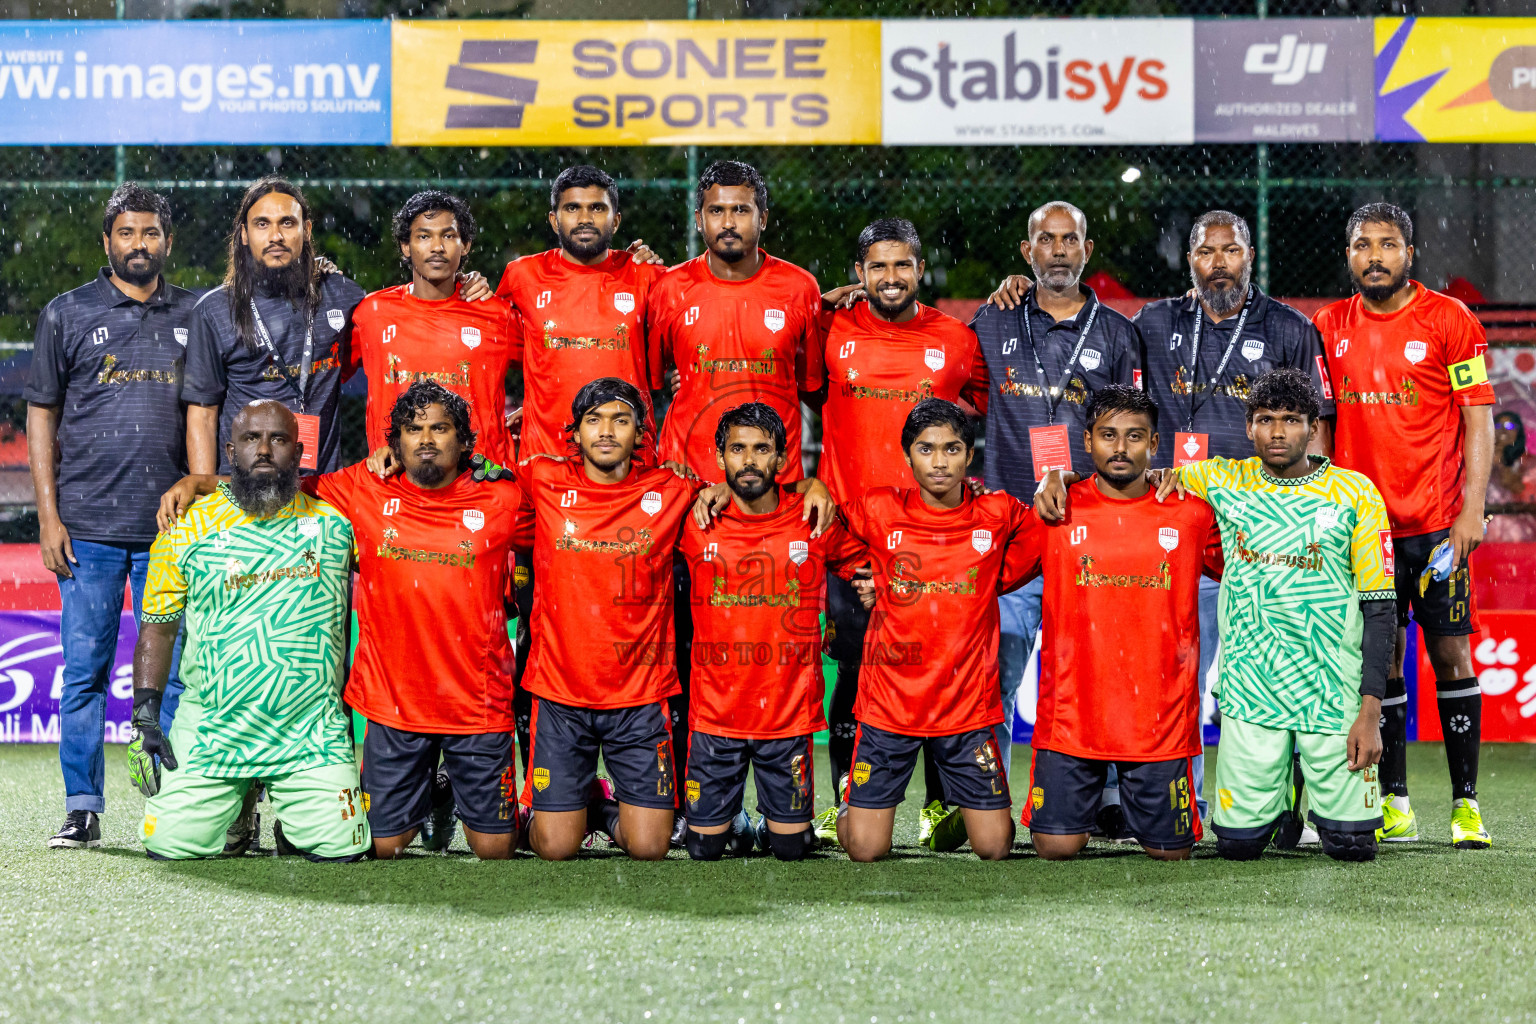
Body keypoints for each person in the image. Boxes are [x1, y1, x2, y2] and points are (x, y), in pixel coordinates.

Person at [158, 382, 527, 860]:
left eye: (440, 428)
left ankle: (455, 796)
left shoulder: (503, 496)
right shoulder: (362, 488)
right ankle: (431, 795)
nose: (427, 439)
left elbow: (560, 527)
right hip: (395, 703)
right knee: (382, 846)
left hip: (476, 701)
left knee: (496, 850)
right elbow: (275, 484)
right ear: (395, 443)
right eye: (414, 430)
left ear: (464, 440)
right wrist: (202, 482)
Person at [1129, 209, 1334, 823]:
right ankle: (1178, 803)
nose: (1219, 262)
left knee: (1274, 669)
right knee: (1173, 675)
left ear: (1250, 257)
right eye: (1206, 251)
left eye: (1232, 251)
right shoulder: (1154, 322)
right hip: (1171, 525)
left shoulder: (1290, 329)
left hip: (1261, 533)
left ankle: (1281, 807)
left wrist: (1312, 518)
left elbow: (1315, 430)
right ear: (1189, 260)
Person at [1313, 202, 1496, 848]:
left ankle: (1466, 806)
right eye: (1362, 245)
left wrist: (1473, 508)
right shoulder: (1328, 325)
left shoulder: (1452, 320)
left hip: (1438, 528)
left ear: (1409, 254)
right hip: (1365, 535)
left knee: (1450, 654)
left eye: (1387, 244)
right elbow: (1324, 428)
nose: (1374, 256)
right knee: (1381, 662)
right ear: (1349, 256)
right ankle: (1395, 802)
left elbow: (1478, 419)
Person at [1160, 369, 1394, 862]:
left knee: (1352, 847)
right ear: (1249, 427)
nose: (1279, 432)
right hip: (1252, 686)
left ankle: (1307, 788)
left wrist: (1371, 713)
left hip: (1332, 690)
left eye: (1292, 420)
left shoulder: (1356, 495)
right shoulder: (1225, 478)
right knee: (1237, 848)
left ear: (1314, 427)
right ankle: (1282, 797)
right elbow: (1145, 477)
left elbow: (1380, 610)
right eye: (1266, 420)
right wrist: (1063, 476)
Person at [24, 183, 194, 849]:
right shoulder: (67, 315)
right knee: (86, 670)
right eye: (127, 233)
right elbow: (43, 416)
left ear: (167, 243)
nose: (139, 244)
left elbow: (206, 412)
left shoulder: (197, 315)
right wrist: (48, 516)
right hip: (86, 531)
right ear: (107, 242)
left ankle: (172, 801)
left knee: (174, 674)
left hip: (168, 534)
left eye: (150, 233)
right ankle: (83, 807)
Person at [129, 400, 368, 862]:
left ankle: (290, 822)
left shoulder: (335, 526)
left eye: (278, 440)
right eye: (251, 439)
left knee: (343, 848)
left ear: (298, 452)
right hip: (215, 730)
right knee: (168, 845)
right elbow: (157, 630)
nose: (263, 450)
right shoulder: (184, 531)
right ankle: (239, 808)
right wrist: (145, 716)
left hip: (309, 733)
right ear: (229, 450)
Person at [814, 217, 987, 848]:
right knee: (856, 675)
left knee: (937, 671)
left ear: (920, 269)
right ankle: (841, 800)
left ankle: (941, 805)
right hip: (852, 540)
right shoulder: (829, 329)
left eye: (903, 265)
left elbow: (990, 412)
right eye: (878, 267)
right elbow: (801, 396)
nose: (891, 278)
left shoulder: (957, 339)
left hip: (935, 539)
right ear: (859, 274)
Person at [495, 164, 668, 785]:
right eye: (572, 208)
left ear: (616, 220)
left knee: (643, 628)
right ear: (554, 219)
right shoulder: (521, 278)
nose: (585, 219)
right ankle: (539, 785)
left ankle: (643, 784)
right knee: (535, 636)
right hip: (548, 494)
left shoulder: (647, 276)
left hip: (632, 489)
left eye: (597, 208)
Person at [975, 202, 1142, 833]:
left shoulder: (1119, 334)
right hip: (1013, 536)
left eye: (1070, 239)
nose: (1059, 251)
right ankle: (985, 800)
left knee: (1102, 673)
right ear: (1027, 254)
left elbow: (1132, 432)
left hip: (1092, 534)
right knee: (997, 674)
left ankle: (1109, 800)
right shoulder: (993, 321)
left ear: (1087, 249)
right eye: (1046, 240)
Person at [1015, 386, 1222, 861]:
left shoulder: (1192, 514)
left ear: (1154, 444)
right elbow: (992, 567)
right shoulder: (1055, 510)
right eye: (1108, 435)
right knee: (1054, 848)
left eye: (1134, 436)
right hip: (1071, 717)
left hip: (1160, 720)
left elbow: (1246, 564)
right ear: (1087, 441)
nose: (1121, 448)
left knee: (1172, 854)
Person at [836, 399, 1037, 862]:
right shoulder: (879, 507)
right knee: (865, 850)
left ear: (970, 455)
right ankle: (852, 798)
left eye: (952, 449)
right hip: (890, 704)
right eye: (926, 449)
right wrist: (863, 572)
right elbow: (825, 531)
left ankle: (960, 810)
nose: (940, 461)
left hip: (966, 707)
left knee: (994, 847)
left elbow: (1042, 541)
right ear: (907, 455)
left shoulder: (999, 512)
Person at [516, 377, 700, 861]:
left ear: (641, 433)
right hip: (560, 693)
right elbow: (473, 486)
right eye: (593, 420)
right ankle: (548, 813)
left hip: (639, 697)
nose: (606, 431)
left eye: (620, 420)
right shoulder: (540, 479)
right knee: (556, 849)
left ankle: (598, 810)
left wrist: (806, 484)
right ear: (573, 433)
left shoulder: (675, 489)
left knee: (650, 847)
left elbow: (743, 496)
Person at [678, 403, 865, 861]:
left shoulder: (812, 518)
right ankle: (735, 822)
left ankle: (776, 822)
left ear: (781, 460)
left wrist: (877, 581)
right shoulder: (694, 520)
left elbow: (862, 562)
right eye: (737, 449)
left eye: (762, 449)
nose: (749, 460)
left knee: (792, 849)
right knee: (703, 848)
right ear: (720, 459)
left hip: (786, 717)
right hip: (715, 715)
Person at [648, 159, 824, 484]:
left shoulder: (800, 289)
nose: (728, 222)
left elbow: (808, 382)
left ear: (764, 219)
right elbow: (649, 376)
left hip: (772, 483)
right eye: (716, 211)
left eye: (741, 210)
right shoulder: (667, 289)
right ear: (699, 219)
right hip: (688, 477)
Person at [353, 191, 518, 467]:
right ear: (406, 246)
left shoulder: (497, 314)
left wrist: (536, 416)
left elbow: (550, 365)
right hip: (398, 476)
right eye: (424, 236)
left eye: (449, 235)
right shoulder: (372, 314)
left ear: (465, 245)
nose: (437, 247)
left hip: (481, 479)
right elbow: (328, 369)